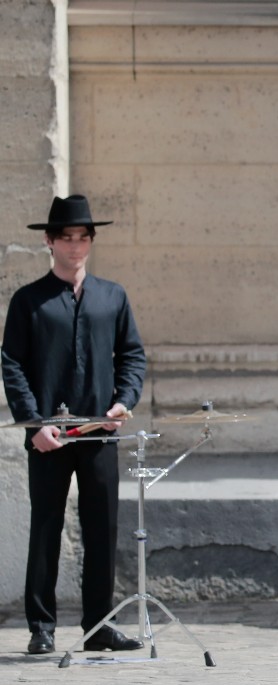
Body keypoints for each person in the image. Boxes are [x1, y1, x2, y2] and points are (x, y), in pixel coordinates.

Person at [2, 194, 147, 656]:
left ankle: (100, 625)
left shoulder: (113, 296)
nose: (75, 246)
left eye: (83, 237)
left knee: (103, 529)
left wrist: (123, 401)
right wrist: (34, 426)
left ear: (91, 241)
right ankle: (41, 627)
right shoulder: (29, 301)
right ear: (49, 241)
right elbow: (12, 365)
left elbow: (132, 356)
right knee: (45, 527)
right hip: (49, 435)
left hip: (100, 433)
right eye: (66, 237)